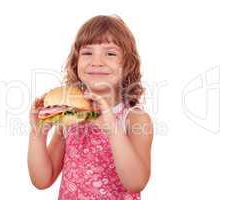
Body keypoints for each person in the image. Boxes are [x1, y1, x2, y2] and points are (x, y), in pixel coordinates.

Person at [28, 14, 153, 200]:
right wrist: (38, 134)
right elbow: (42, 180)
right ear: (75, 62)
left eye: (110, 53)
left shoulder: (134, 119)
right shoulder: (68, 118)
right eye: (87, 53)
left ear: (127, 65)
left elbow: (135, 182)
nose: (96, 61)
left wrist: (112, 128)